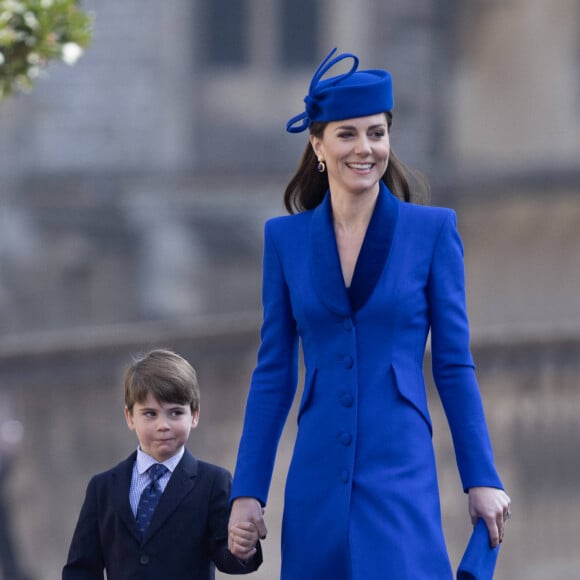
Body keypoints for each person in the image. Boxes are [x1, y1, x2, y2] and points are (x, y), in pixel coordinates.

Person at [227, 48, 511, 579]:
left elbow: (453, 364)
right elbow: (273, 372)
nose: (366, 148)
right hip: (315, 471)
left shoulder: (433, 232)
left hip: (399, 464)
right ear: (318, 144)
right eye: (348, 134)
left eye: (377, 133)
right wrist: (248, 490)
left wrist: (482, 476)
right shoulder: (284, 240)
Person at [63, 348, 262, 580]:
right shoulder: (103, 487)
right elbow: (81, 568)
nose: (163, 425)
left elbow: (228, 557)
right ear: (129, 417)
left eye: (175, 413)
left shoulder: (213, 482)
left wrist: (242, 548)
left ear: (194, 415)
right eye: (150, 414)